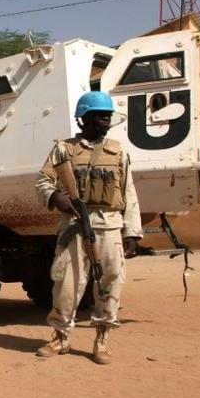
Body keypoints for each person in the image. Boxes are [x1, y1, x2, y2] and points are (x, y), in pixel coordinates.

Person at [34, 91, 142, 365]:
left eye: (107, 115)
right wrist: (56, 197)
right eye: (98, 115)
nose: (105, 119)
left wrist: (131, 231)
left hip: (109, 226)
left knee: (111, 282)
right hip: (73, 225)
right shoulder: (63, 149)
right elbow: (43, 181)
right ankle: (60, 337)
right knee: (66, 285)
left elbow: (128, 191)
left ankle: (102, 338)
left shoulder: (119, 151)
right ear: (83, 119)